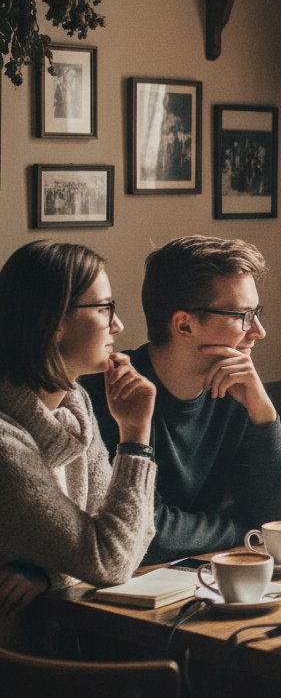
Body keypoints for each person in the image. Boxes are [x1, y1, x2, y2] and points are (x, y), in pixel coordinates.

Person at [83, 236, 281, 563]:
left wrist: (264, 414)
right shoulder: (113, 393)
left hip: (200, 581)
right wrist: (242, 528)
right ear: (184, 325)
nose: (258, 330)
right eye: (242, 315)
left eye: (256, 312)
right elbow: (147, 532)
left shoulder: (238, 390)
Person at [0, 241, 156, 644]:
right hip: (23, 678)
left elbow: (138, 531)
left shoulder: (75, 407)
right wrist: (135, 438)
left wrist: (47, 572)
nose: (118, 325)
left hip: (58, 644)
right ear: (54, 323)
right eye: (104, 308)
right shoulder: (6, 445)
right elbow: (110, 559)